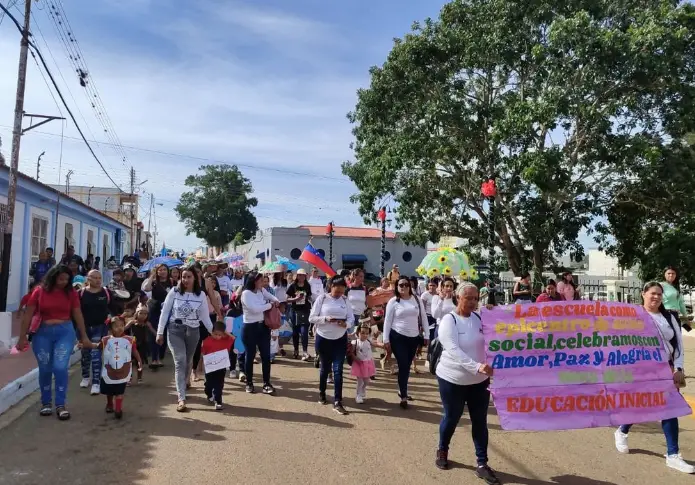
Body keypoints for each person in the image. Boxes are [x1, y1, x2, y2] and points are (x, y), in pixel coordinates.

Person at [614, 281, 694, 473]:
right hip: (641, 368)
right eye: (652, 293)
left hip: (665, 368)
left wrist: (679, 367)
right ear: (643, 294)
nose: (656, 297)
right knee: (641, 403)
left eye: (659, 294)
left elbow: (679, 345)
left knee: (669, 407)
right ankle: (622, 430)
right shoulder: (632, 316)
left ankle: (673, 455)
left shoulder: (669, 317)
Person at [434, 283, 499, 483]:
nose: (472, 302)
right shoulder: (449, 320)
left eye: (475, 298)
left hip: (479, 382)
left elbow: (498, 336)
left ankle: (482, 463)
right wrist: (476, 366)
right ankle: (442, 450)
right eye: (468, 298)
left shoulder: (480, 318)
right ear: (458, 297)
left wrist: (494, 314)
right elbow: (453, 350)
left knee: (480, 421)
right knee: (452, 417)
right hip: (453, 379)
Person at [17, 265, 92, 420]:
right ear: (53, 277)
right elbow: (28, 314)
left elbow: (77, 314)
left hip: (65, 332)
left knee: (60, 367)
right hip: (42, 334)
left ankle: (60, 404)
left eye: (66, 279)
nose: (64, 282)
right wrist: (22, 337)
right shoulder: (39, 291)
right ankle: (46, 403)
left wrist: (83, 336)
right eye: (61, 279)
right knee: (45, 368)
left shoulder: (70, 292)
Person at [156, 267, 214, 412]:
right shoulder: (174, 292)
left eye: (189, 277)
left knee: (188, 360)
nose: (186, 280)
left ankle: (185, 381)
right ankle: (181, 398)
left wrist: (214, 332)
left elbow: (205, 316)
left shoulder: (200, 295)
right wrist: (159, 332)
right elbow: (165, 312)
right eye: (183, 277)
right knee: (180, 361)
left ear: (195, 278)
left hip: (193, 331)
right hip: (175, 329)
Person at [309, 275, 352, 415]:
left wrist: (346, 324)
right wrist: (326, 319)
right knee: (325, 368)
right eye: (336, 291)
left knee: (338, 370)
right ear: (331, 287)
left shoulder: (345, 301)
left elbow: (351, 318)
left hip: (340, 339)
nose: (339, 294)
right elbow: (312, 318)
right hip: (323, 338)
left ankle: (338, 401)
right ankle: (322, 392)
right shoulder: (322, 299)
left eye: (341, 291)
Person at [383, 276, 428, 409]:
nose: (403, 287)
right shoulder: (393, 301)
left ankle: (402, 388)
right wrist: (386, 339)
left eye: (406, 285)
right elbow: (387, 321)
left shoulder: (417, 300)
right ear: (397, 287)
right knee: (403, 364)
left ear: (410, 286)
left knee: (407, 366)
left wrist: (427, 334)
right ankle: (403, 395)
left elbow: (423, 318)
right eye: (401, 285)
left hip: (413, 337)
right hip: (398, 336)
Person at [87, 315, 143, 420]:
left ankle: (118, 409)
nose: (120, 328)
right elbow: (97, 346)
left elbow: (134, 351)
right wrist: (87, 344)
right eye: (116, 326)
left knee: (119, 391)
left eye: (122, 325)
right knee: (109, 390)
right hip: (110, 370)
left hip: (122, 371)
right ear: (110, 328)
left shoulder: (129, 340)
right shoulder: (106, 340)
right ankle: (109, 404)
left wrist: (139, 362)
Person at [240, 272, 280, 395]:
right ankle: (249, 383)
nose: (263, 283)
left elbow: (274, 298)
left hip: (263, 326)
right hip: (250, 328)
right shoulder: (246, 293)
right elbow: (254, 309)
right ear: (253, 281)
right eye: (260, 280)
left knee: (266, 356)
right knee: (250, 356)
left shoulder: (261, 290)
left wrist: (275, 301)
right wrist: (269, 305)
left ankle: (266, 383)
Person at [79, 270, 112, 395]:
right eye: (95, 278)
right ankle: (86, 376)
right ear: (88, 278)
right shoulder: (81, 293)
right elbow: (75, 312)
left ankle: (96, 383)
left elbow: (113, 307)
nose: (98, 280)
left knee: (96, 355)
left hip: (100, 327)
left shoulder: (106, 292)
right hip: (84, 328)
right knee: (85, 354)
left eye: (100, 277)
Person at [143, 264, 172, 369]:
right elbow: (146, 288)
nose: (163, 271)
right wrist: (152, 275)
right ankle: (154, 359)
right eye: (160, 270)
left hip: (167, 309)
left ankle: (160, 356)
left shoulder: (171, 281)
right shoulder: (154, 282)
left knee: (164, 332)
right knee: (154, 332)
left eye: (165, 269)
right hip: (154, 308)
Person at [202, 321, 235, 411]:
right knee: (209, 384)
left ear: (223, 334)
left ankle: (218, 401)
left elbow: (234, 338)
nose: (217, 336)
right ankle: (208, 393)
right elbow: (203, 353)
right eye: (215, 334)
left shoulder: (227, 341)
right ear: (211, 332)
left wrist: (225, 332)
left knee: (219, 384)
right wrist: (201, 366)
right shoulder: (207, 341)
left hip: (221, 366)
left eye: (220, 335)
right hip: (210, 367)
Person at [351, 319, 382, 404]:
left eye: (367, 333)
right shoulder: (355, 342)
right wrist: (355, 358)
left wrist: (384, 346)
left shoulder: (368, 341)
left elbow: (376, 344)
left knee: (366, 381)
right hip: (359, 364)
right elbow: (351, 353)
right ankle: (358, 395)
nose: (365, 335)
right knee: (360, 381)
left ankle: (363, 389)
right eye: (362, 333)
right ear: (358, 333)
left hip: (368, 363)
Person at [286, 268, 313, 360]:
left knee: (304, 331)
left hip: (305, 310)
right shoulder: (292, 286)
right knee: (295, 332)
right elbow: (287, 299)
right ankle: (296, 350)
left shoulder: (307, 285)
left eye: (303, 275)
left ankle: (305, 351)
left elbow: (309, 296)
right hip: (295, 310)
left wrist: (309, 299)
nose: (301, 277)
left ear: (305, 276)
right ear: (297, 276)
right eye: (300, 275)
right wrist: (295, 299)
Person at [126, 304, 152, 383]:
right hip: (131, 345)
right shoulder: (132, 322)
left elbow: (153, 331)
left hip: (142, 345)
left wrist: (159, 337)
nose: (143, 316)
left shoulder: (147, 324)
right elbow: (123, 329)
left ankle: (139, 378)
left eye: (145, 314)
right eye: (141, 313)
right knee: (128, 362)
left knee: (140, 362)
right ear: (137, 313)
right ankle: (129, 379)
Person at [662, 266, 692, 332]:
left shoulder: (676, 288)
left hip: (676, 315)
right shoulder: (660, 285)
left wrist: (686, 318)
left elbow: (681, 304)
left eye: (673, 273)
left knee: (677, 338)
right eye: (669, 273)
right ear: (664, 274)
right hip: (665, 314)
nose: (671, 275)